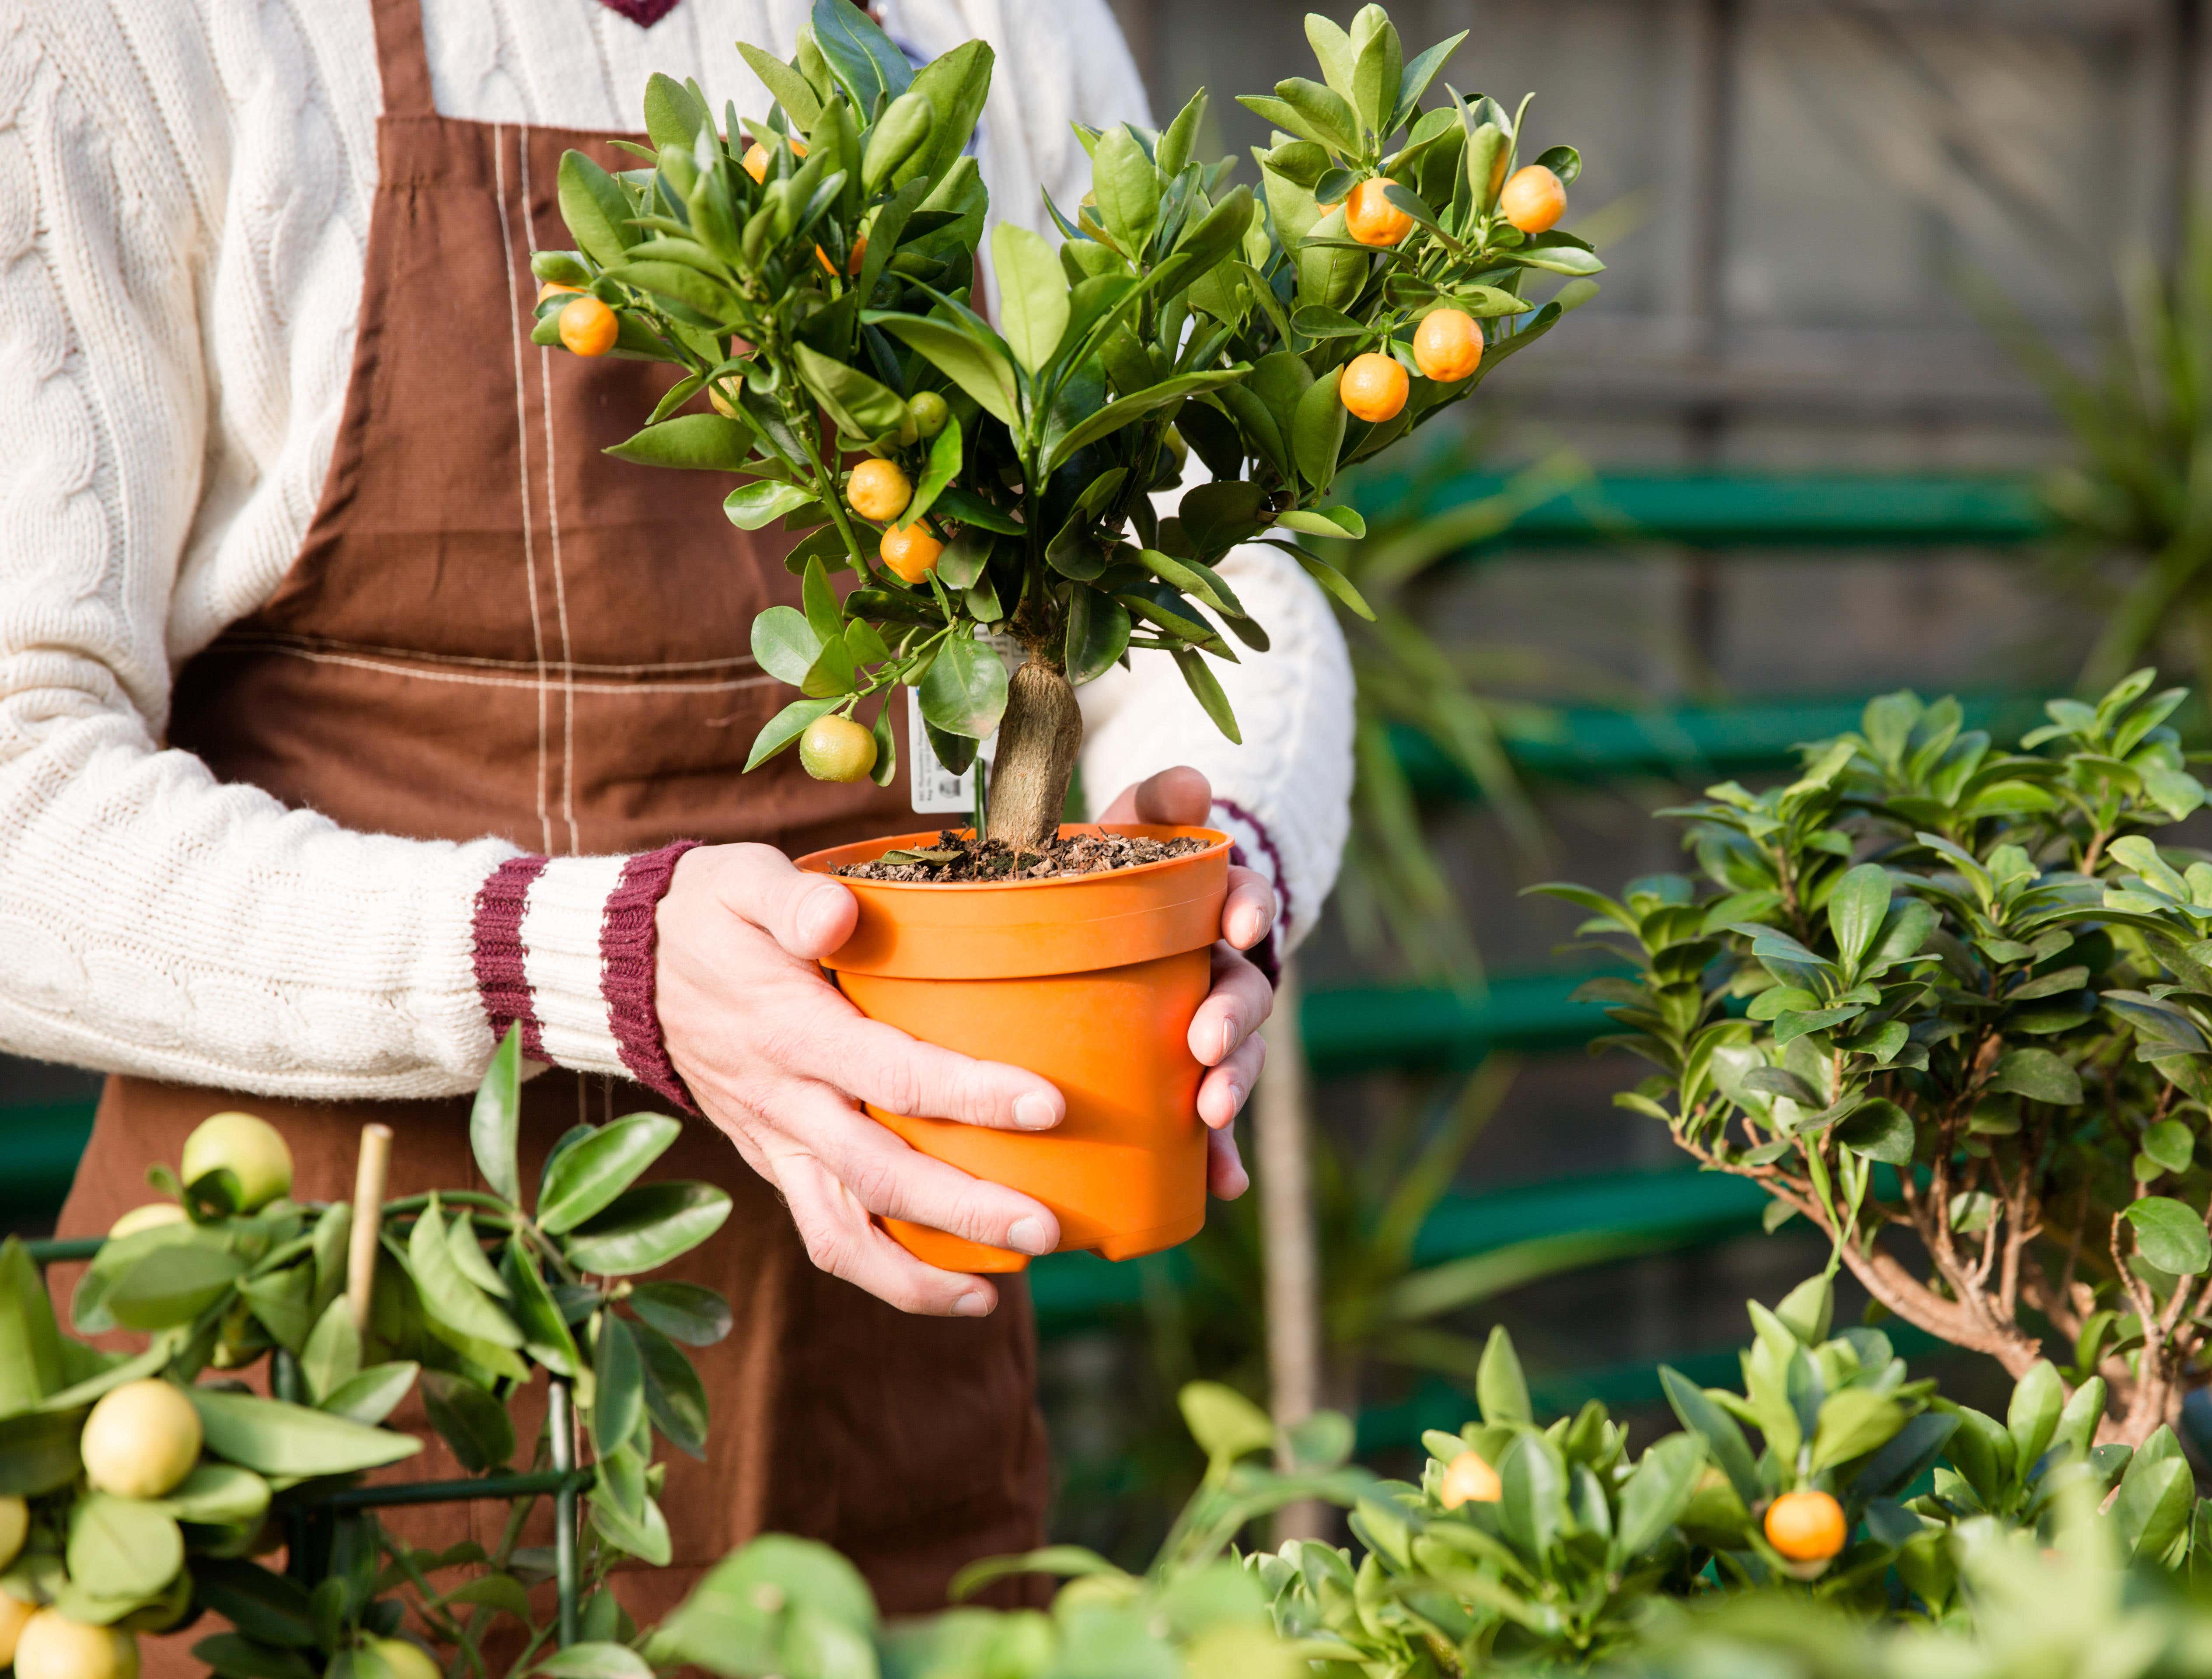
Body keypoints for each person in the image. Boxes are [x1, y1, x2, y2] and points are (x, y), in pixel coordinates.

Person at [0, 0, 1353, 1632]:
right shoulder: (143, 37)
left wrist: (1224, 876)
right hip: (319, 1390)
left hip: (877, 1411)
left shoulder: (1000, 26)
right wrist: (583, 958)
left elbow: (1217, 557)